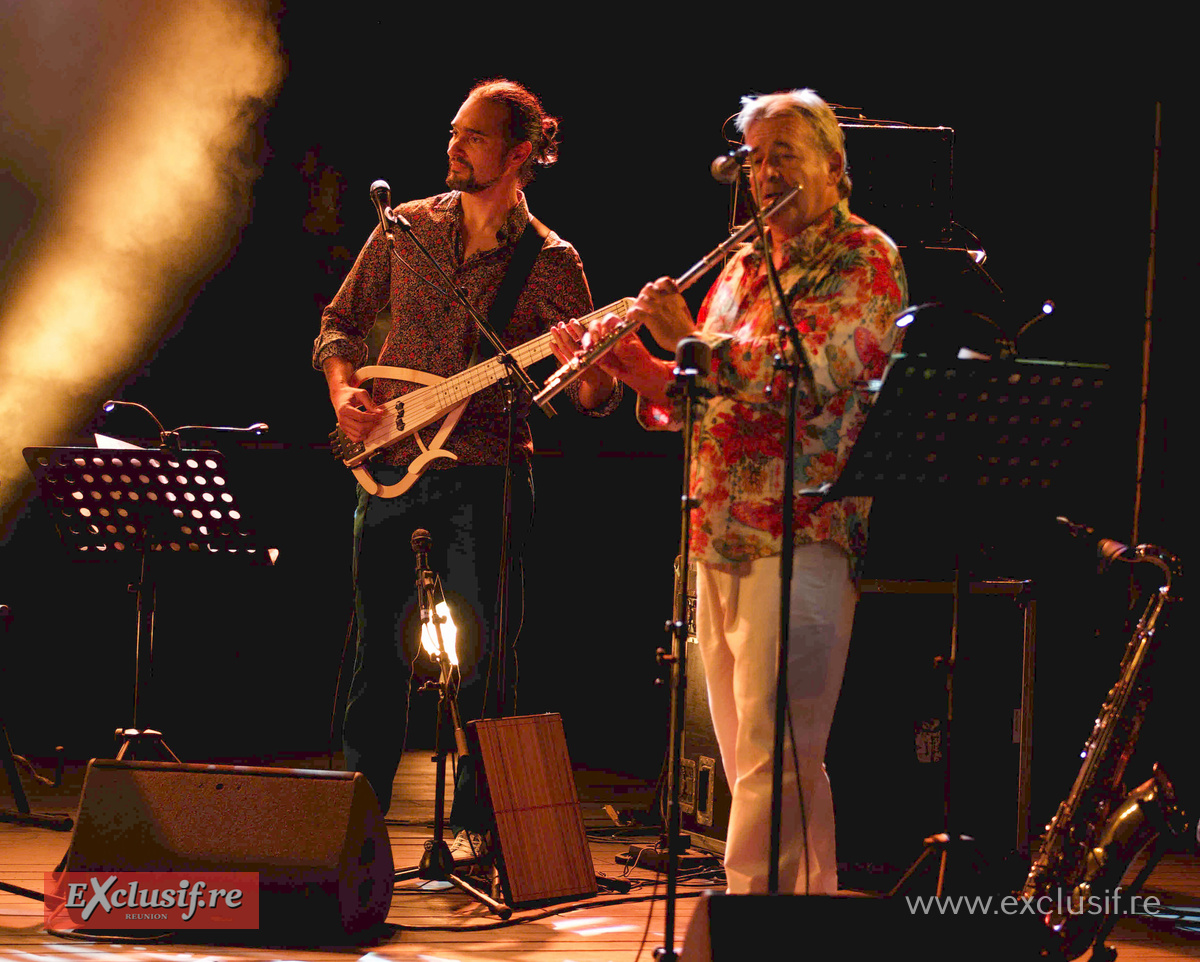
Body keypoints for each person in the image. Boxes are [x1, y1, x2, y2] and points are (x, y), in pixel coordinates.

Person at [581, 89, 907, 894]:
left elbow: (819, 372)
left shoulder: (864, 257)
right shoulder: (742, 263)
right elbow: (705, 391)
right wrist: (646, 375)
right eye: (755, 160)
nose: (764, 176)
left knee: (779, 749)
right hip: (716, 529)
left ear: (835, 166)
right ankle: (799, 917)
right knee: (750, 759)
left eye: (783, 156)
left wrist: (686, 341)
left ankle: (752, 918)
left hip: (803, 529)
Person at [312, 79, 620, 857]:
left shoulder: (553, 262)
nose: (455, 146)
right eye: (454, 132)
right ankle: (354, 831)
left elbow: (591, 395)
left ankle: (489, 836)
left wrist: (592, 369)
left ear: (520, 154)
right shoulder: (404, 225)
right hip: (387, 462)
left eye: (474, 137)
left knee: (487, 663)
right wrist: (346, 390)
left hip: (488, 475)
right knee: (375, 657)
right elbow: (339, 324)